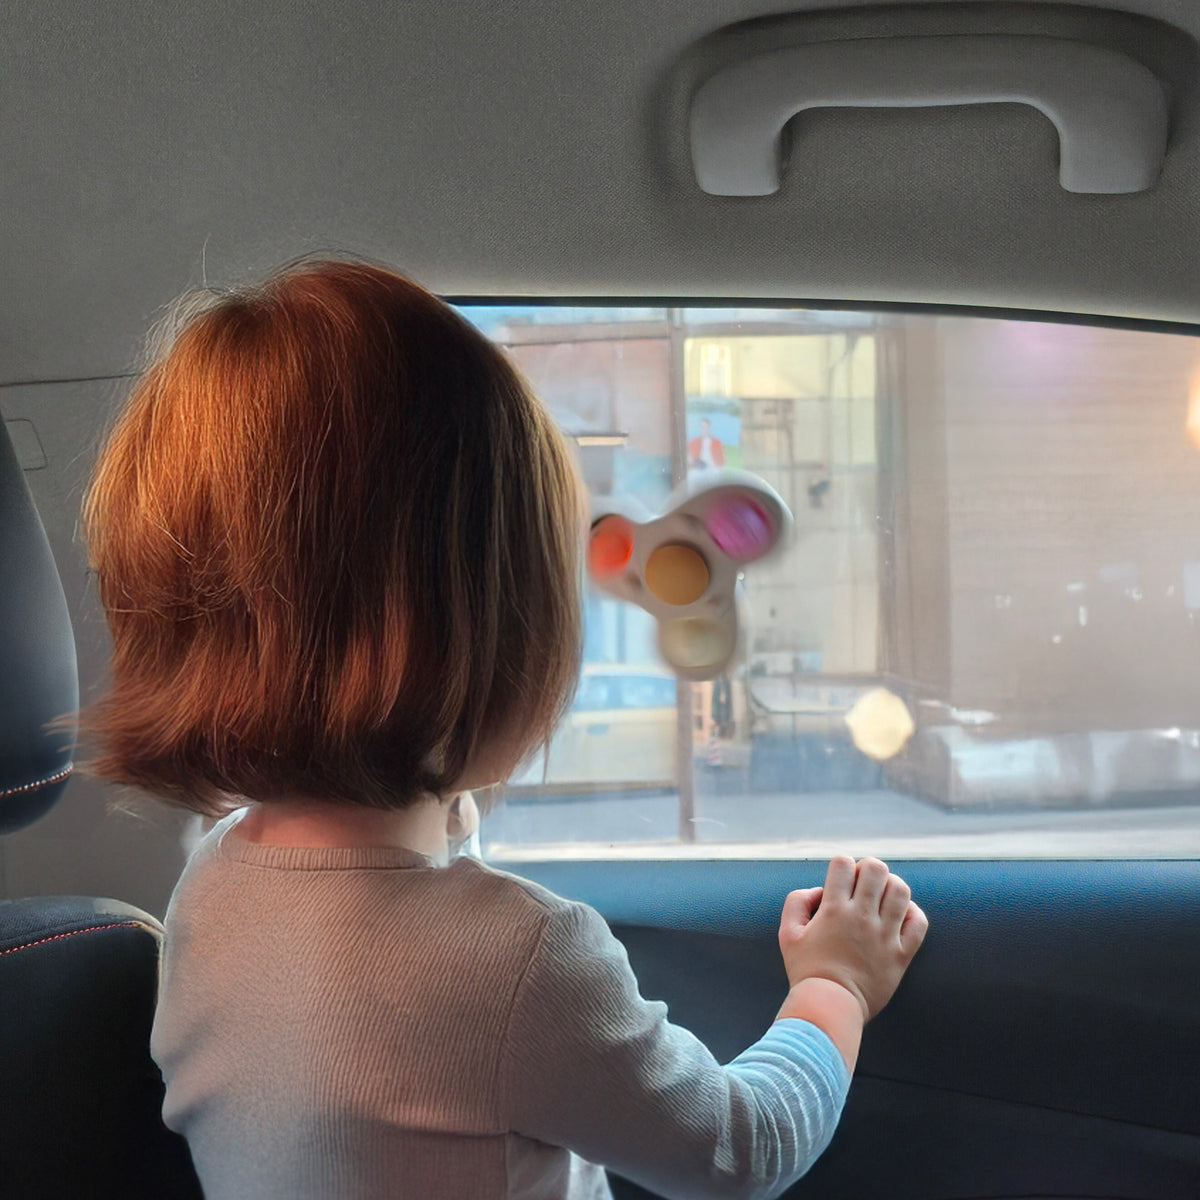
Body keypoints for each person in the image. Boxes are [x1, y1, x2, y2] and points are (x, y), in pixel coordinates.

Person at [80, 259, 927, 1200]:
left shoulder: (211, 893)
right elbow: (738, 1148)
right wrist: (836, 986)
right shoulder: (518, 962)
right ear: (501, 639)